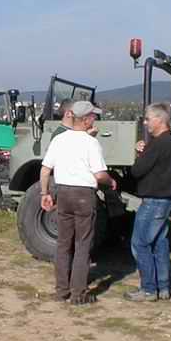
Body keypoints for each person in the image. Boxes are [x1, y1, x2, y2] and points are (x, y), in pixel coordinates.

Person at [40, 100, 116, 305]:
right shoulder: (91, 143)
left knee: (63, 244)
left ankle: (61, 290)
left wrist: (45, 193)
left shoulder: (59, 139)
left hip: (63, 193)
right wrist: (111, 181)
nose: (95, 119)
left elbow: (45, 170)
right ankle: (78, 293)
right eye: (93, 116)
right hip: (83, 195)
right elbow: (99, 175)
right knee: (82, 245)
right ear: (86, 120)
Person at [125, 103, 171, 302]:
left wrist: (141, 153)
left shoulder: (158, 144)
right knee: (159, 243)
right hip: (166, 199)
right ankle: (163, 287)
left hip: (154, 201)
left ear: (159, 119)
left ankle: (148, 289)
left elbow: (137, 170)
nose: (146, 123)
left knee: (140, 243)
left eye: (148, 119)